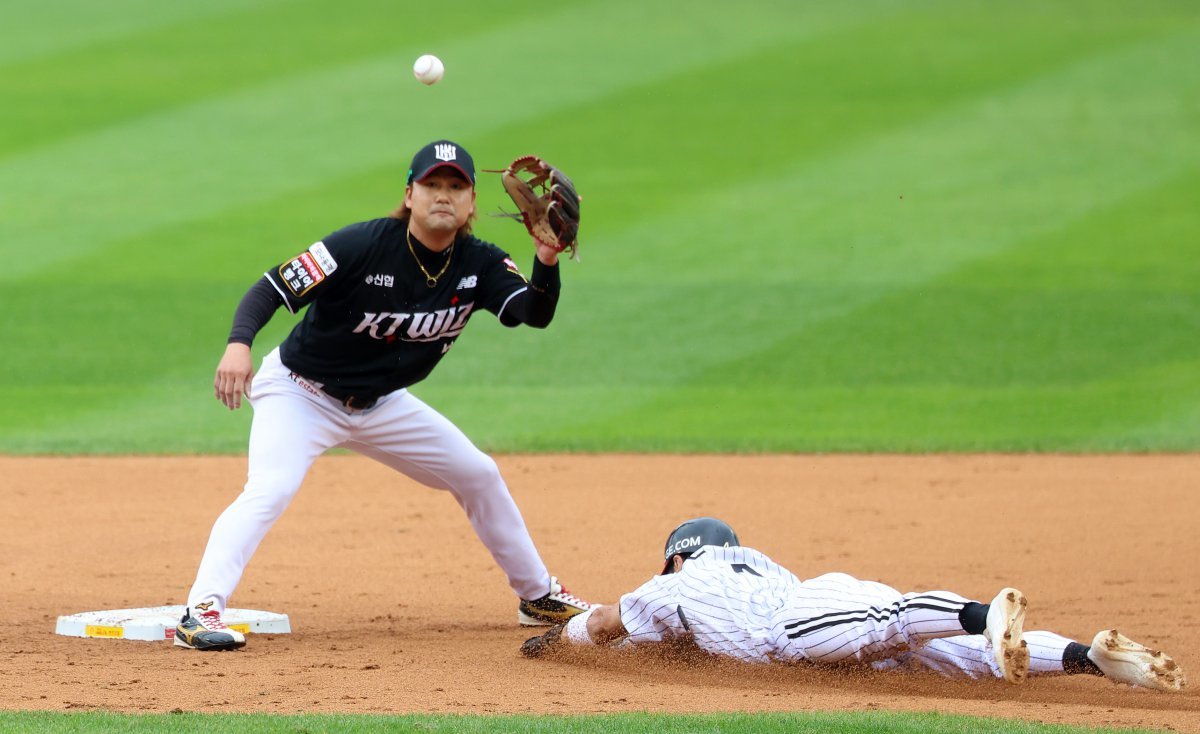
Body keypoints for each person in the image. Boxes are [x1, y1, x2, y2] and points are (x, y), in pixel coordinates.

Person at [173, 140, 591, 651]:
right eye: (432, 184)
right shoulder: (359, 245)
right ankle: (200, 611)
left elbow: (534, 312)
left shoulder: (480, 262)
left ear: (471, 202)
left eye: (456, 186)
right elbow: (272, 288)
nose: (444, 195)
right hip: (299, 394)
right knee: (272, 488)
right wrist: (239, 345)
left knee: (479, 473)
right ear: (409, 194)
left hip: (383, 403)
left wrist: (546, 260)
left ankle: (537, 596)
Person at [521, 518, 1186, 692]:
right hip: (822, 623)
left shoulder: (671, 585)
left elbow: (608, 624)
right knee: (958, 658)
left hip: (800, 624)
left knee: (891, 621)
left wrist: (556, 641)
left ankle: (987, 614)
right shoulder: (754, 565)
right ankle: (1090, 657)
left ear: (675, 555)